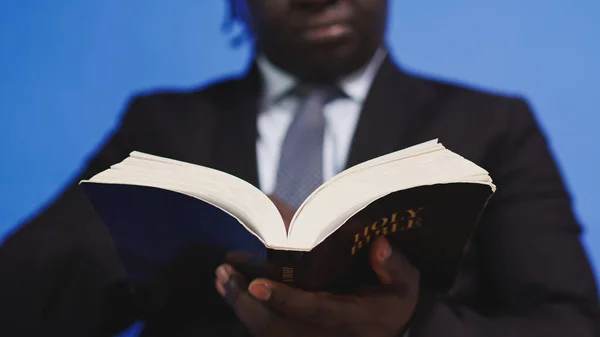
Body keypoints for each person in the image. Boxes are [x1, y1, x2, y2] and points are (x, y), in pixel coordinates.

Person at [0, 0, 598, 336]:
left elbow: (568, 323)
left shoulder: (491, 125)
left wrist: (411, 325)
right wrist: (138, 238)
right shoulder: (163, 126)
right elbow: (27, 291)